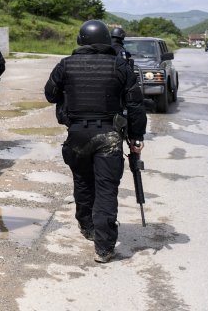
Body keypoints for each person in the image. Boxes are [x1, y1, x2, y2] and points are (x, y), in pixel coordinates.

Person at [44, 20, 146, 263]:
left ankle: (87, 226)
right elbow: (135, 105)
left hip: (77, 134)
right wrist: (136, 137)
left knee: (82, 183)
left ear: (81, 40)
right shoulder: (120, 65)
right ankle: (104, 247)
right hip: (109, 136)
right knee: (106, 189)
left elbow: (50, 95)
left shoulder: (66, 65)